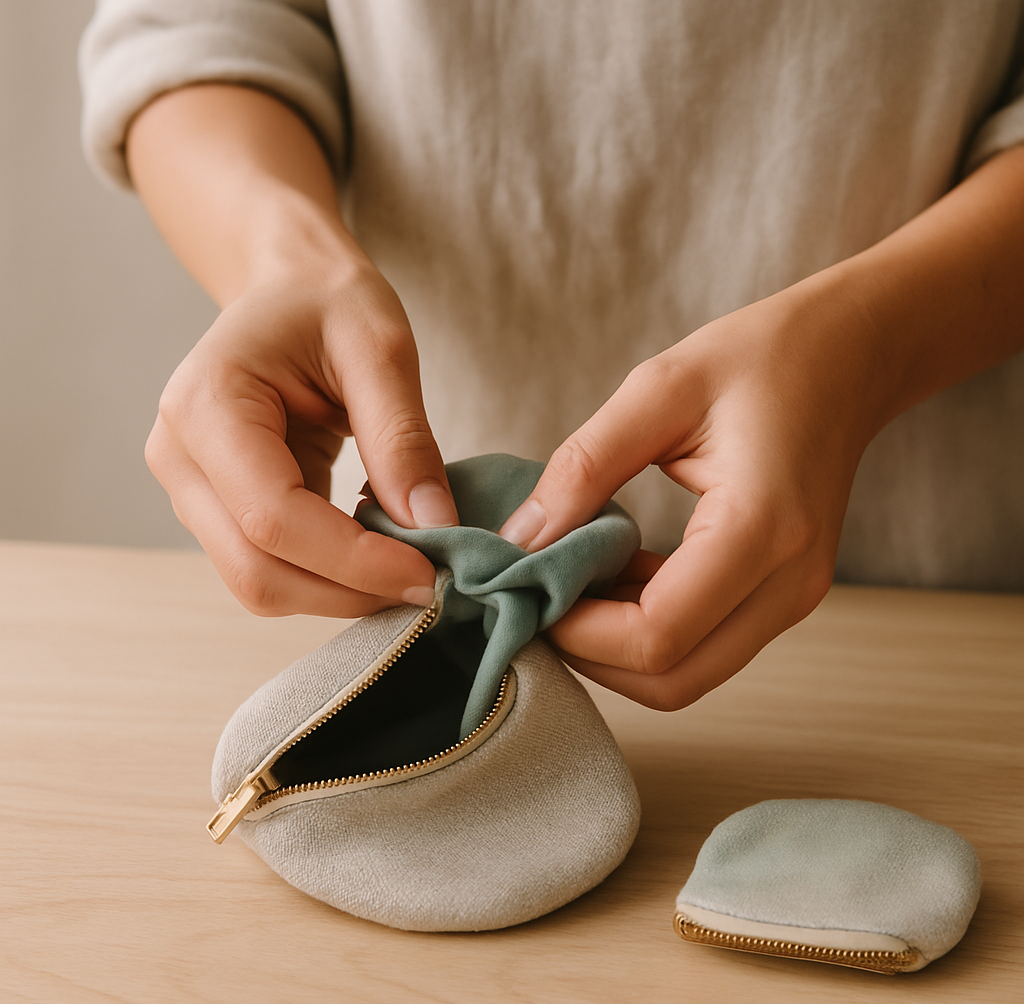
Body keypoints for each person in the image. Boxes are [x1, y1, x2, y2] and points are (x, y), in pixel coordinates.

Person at [81, 2, 1024, 712]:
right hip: (410, 614)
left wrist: (868, 346)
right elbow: (190, 25)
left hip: (942, 618)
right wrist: (280, 258)